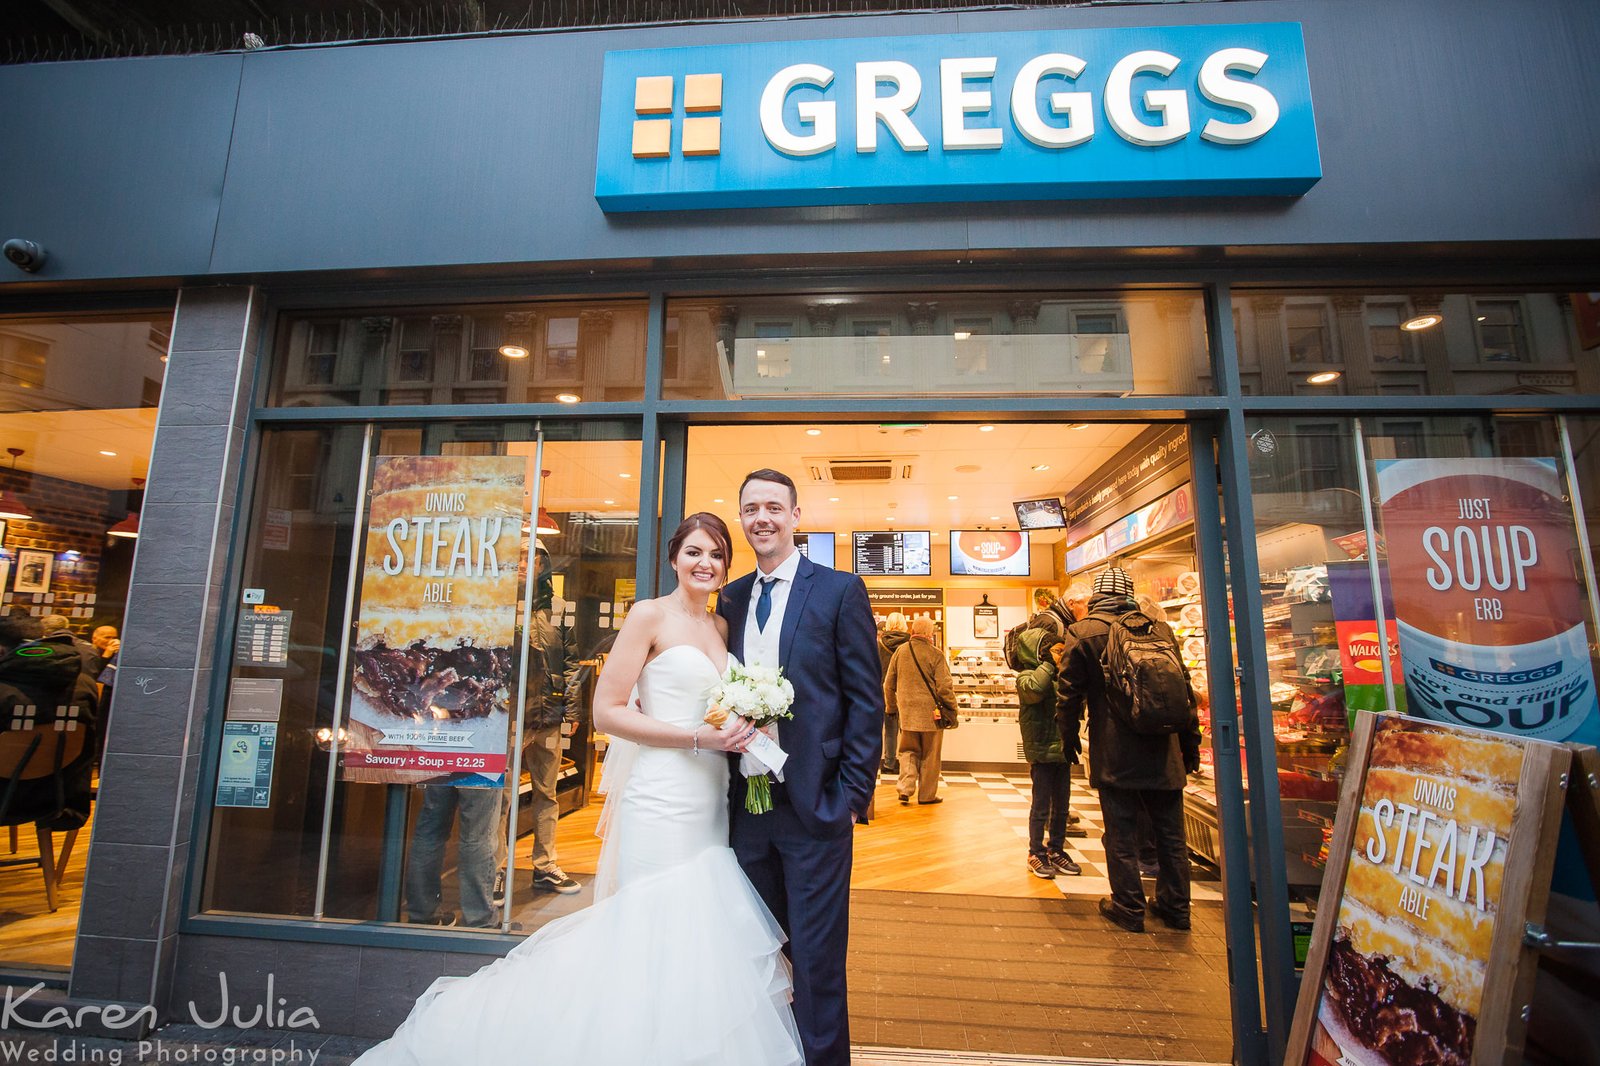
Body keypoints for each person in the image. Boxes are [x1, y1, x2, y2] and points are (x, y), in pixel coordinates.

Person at [356, 513, 801, 1065]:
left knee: (697, 933)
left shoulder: (720, 630)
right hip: (660, 796)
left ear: (724, 565)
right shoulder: (647, 616)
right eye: (693, 552)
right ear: (673, 558)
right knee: (649, 925)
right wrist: (697, 737)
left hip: (710, 799)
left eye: (714, 554)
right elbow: (606, 713)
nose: (704, 563)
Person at [717, 468, 883, 1066]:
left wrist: (852, 796)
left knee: (816, 957)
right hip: (746, 810)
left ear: (795, 516)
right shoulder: (731, 597)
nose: (762, 517)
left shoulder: (839, 590)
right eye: (750, 508)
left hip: (816, 806)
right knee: (759, 949)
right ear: (741, 518)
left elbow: (867, 698)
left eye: (773, 507)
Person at [1055, 566, 1200, 934]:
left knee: (1120, 832)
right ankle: (1176, 907)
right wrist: (1189, 746)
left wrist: (1067, 738)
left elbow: (1068, 694)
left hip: (1116, 749)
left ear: (1097, 596)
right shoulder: (1159, 629)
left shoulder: (1085, 631)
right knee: (1170, 834)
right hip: (1164, 749)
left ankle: (1129, 906)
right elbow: (1184, 692)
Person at [1015, 627, 1080, 878]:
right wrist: (1047, 665)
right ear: (1040, 652)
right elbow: (1034, 690)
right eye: (1055, 651)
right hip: (1041, 748)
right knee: (1041, 805)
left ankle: (1056, 850)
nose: (1060, 655)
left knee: (1062, 805)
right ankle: (1035, 852)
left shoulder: (1060, 675)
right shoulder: (1027, 675)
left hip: (1062, 748)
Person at [883, 616, 952, 807]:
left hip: (906, 713)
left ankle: (905, 789)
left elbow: (888, 684)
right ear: (930, 634)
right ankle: (926, 795)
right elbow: (944, 687)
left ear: (913, 631)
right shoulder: (936, 654)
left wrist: (891, 707)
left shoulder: (901, 652)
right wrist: (952, 708)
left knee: (907, 751)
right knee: (930, 754)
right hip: (931, 715)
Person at [875, 611, 909, 774]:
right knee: (908, 730)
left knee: (888, 728)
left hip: (882, 690)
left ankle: (888, 763)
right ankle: (908, 763)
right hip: (905, 691)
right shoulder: (909, 644)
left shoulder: (879, 643)